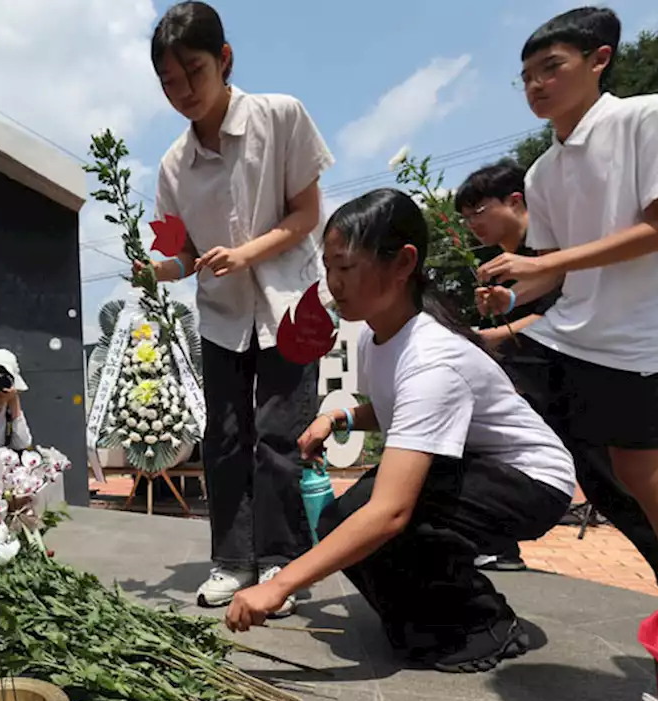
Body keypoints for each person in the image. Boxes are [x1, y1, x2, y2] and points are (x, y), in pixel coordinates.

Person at [226, 189, 575, 673]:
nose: (333, 283)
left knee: (386, 519)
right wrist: (339, 418)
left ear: (403, 262)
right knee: (337, 519)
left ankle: (483, 621)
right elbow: (395, 408)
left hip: (531, 482)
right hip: (471, 469)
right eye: (328, 268)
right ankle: (426, 619)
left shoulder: (433, 358)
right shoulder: (377, 335)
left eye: (346, 267)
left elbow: (390, 512)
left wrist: (278, 584)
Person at [477, 7, 658, 578]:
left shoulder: (647, 117)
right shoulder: (542, 171)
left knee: (642, 477)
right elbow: (552, 272)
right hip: (569, 333)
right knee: (483, 383)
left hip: (643, 337)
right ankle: (474, 530)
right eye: (525, 78)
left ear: (600, 61)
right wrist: (514, 294)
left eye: (550, 69)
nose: (535, 87)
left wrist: (542, 266)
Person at [144, 1, 334, 611]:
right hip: (224, 316)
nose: (183, 93)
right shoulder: (173, 166)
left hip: (290, 304)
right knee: (223, 439)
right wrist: (154, 270)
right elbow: (179, 254)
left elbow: (307, 215)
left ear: (224, 60)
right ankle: (230, 560)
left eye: (193, 72)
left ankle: (282, 562)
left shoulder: (280, 117)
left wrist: (249, 253)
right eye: (169, 83)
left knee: (279, 436)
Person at [458, 160, 658, 589]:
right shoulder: (525, 260)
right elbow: (541, 300)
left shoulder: (552, 244)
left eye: (478, 211)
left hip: (596, 365)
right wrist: (504, 304)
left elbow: (560, 309)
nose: (471, 224)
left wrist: (492, 335)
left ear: (517, 201)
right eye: (465, 217)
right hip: (557, 370)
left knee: (623, 481)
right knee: (606, 480)